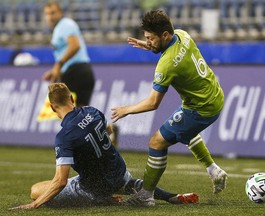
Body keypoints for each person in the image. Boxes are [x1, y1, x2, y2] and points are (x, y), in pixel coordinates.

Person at [9, 83, 199, 210]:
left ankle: (103, 199)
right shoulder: (92, 111)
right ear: (72, 99)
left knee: (37, 190)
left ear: (52, 107)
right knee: (129, 183)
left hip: (93, 188)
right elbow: (109, 130)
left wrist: (34, 205)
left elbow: (59, 181)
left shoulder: (64, 136)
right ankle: (172, 196)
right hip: (118, 172)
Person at [111, 10, 227, 206]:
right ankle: (213, 169)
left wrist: (126, 110)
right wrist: (149, 46)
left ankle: (146, 195)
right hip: (213, 95)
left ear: (165, 35)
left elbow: (153, 103)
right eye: (146, 38)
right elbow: (172, 52)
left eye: (150, 38)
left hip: (201, 108)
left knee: (157, 142)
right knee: (183, 130)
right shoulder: (182, 34)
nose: (148, 41)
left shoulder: (166, 65)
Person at [42, 2, 95, 108]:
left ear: (60, 13)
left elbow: (75, 45)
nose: (50, 17)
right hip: (78, 72)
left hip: (76, 73)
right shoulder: (59, 28)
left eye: (53, 13)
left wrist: (58, 65)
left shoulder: (65, 24)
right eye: (47, 14)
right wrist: (55, 71)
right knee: (80, 118)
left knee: (67, 114)